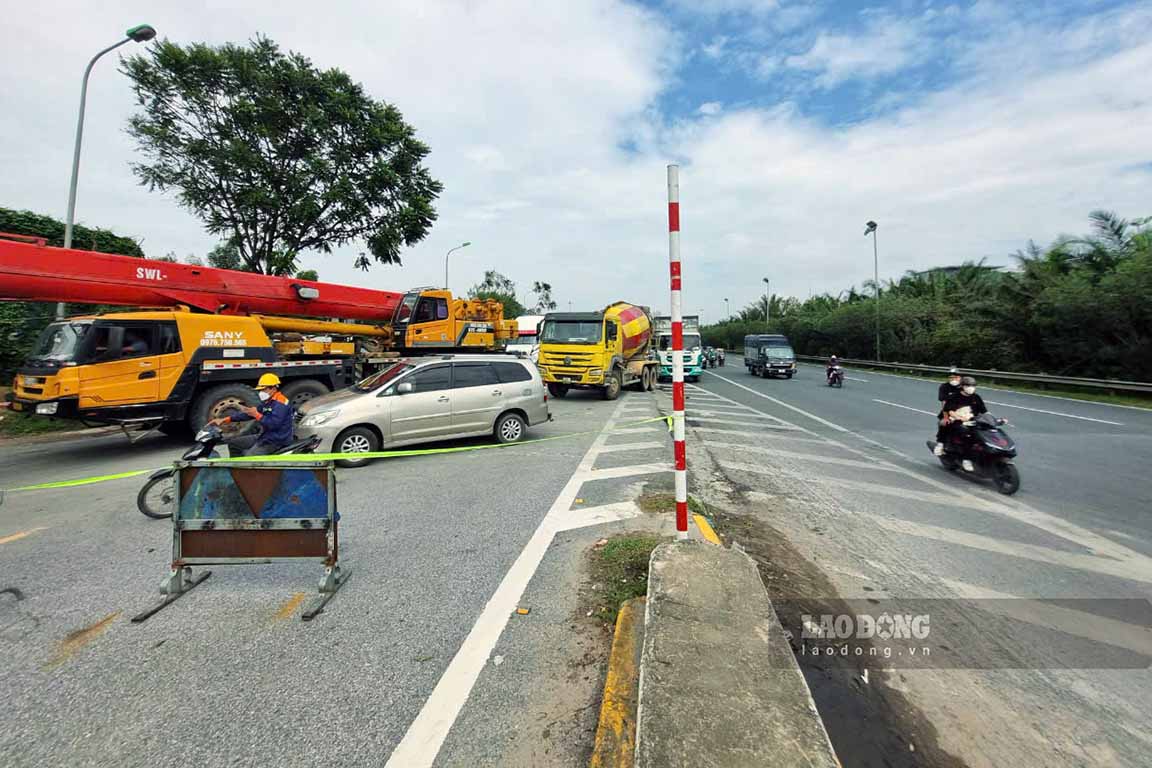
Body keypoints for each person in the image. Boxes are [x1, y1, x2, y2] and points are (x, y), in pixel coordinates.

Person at [208, 373, 295, 456]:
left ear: (273, 388)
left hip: (276, 440)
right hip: (264, 436)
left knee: (248, 457)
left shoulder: (281, 404)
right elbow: (249, 414)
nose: (261, 392)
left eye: (263, 389)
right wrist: (225, 420)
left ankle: (245, 469)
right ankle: (235, 470)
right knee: (233, 444)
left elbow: (273, 424)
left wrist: (257, 414)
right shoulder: (268, 402)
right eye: (260, 390)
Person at [935, 376, 988, 470]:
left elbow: (984, 411)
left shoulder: (976, 397)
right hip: (954, 419)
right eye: (968, 385)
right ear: (963, 386)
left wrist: (995, 419)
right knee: (965, 434)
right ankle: (942, 445)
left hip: (971, 420)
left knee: (981, 434)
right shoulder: (954, 396)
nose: (971, 388)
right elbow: (949, 410)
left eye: (973, 386)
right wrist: (959, 417)